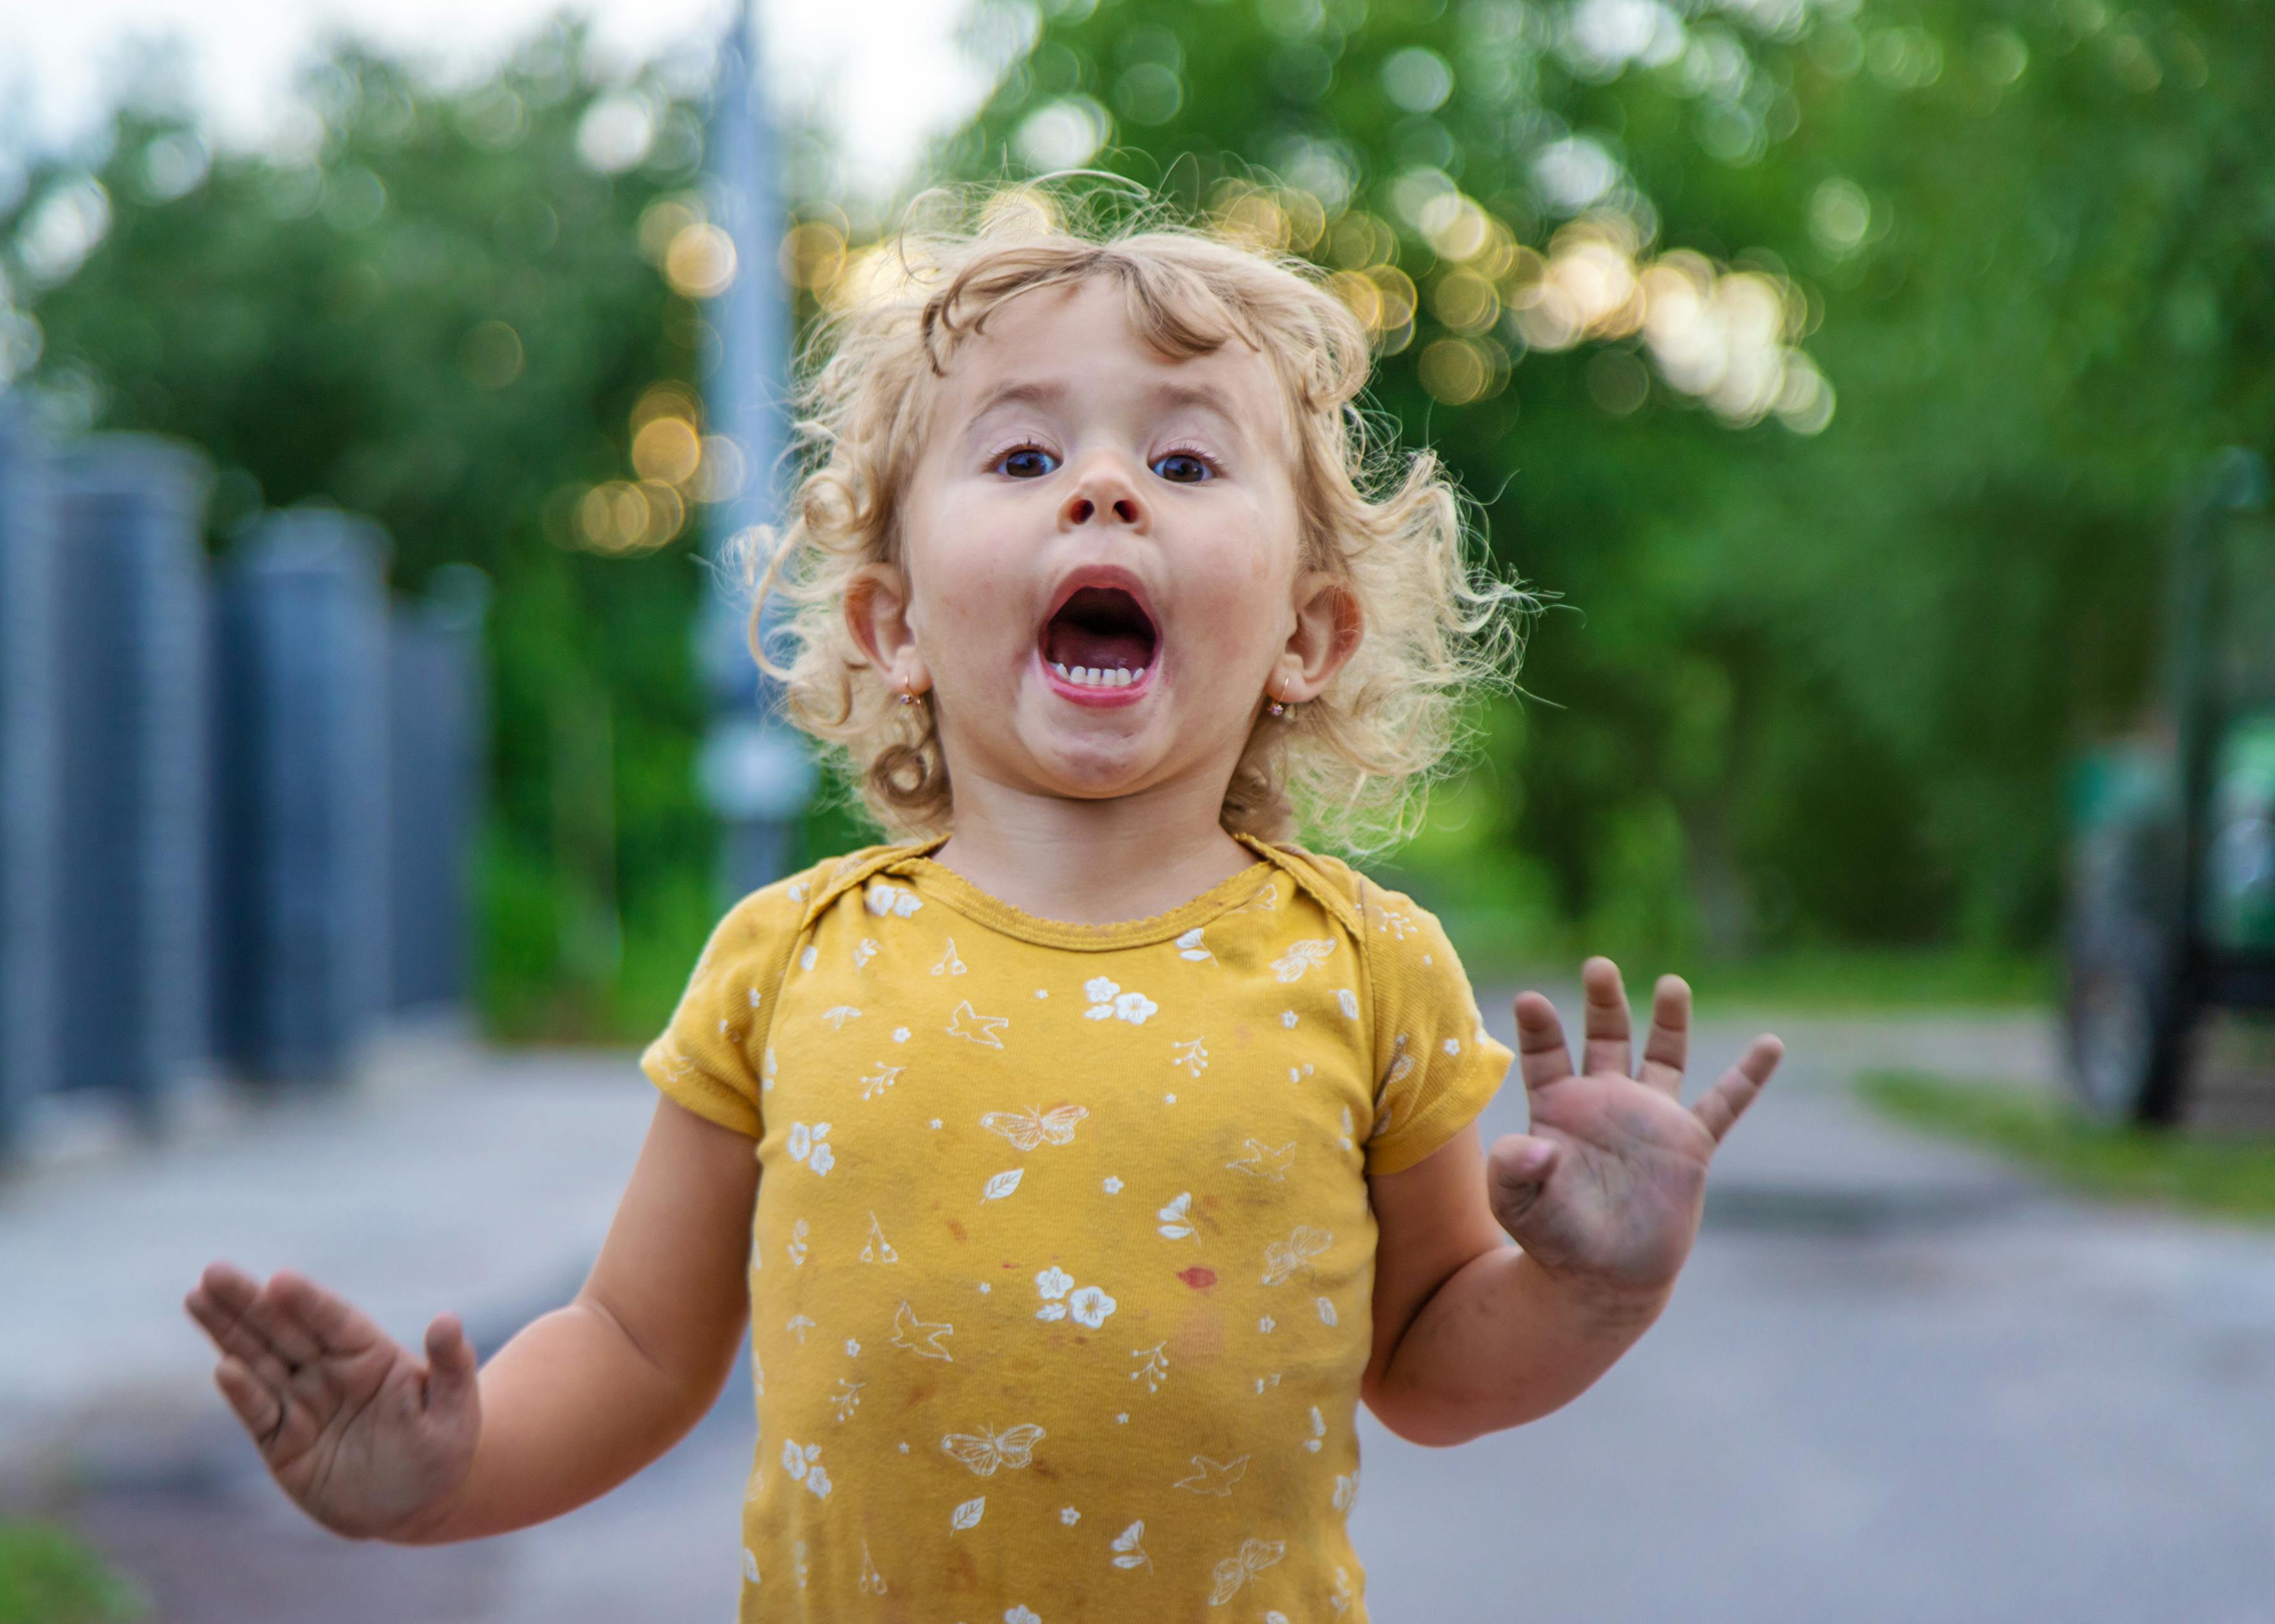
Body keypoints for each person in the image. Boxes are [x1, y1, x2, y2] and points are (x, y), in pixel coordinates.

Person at [184, 186, 1784, 1621]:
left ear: (1308, 633)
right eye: (1025, 455)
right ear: (888, 620)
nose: (1103, 489)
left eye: (1181, 458)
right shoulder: (787, 959)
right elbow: (632, 1344)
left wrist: (1591, 1287)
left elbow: (1434, 1358)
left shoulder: (1366, 968)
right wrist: (442, 1479)